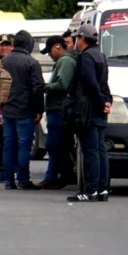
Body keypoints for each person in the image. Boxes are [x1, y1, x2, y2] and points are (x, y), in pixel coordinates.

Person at [68, 24, 112, 203]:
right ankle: (102, 189)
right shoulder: (100, 55)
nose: (76, 42)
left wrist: (100, 102)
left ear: (82, 39)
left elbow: (90, 84)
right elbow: (104, 83)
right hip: (100, 109)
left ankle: (90, 190)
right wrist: (107, 102)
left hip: (89, 110)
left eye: (77, 38)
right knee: (101, 150)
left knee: (91, 151)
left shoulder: (86, 57)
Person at [1, 30, 45, 190]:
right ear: (29, 44)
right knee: (24, 146)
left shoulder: (4, 61)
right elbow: (37, 88)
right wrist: (40, 109)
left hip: (7, 110)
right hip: (25, 110)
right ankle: (23, 179)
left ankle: (8, 180)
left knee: (8, 146)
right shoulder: (31, 63)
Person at [38, 35, 77, 189]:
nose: (49, 55)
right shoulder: (66, 60)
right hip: (60, 108)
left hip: (59, 108)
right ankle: (55, 176)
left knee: (54, 144)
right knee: (60, 145)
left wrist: (45, 87)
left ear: (57, 47)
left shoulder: (65, 61)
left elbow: (62, 84)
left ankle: (67, 174)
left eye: (49, 51)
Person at [0, 34, 14, 183]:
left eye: (8, 45)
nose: (5, 48)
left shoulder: (14, 62)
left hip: (12, 108)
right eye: (2, 45)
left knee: (11, 142)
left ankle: (11, 171)